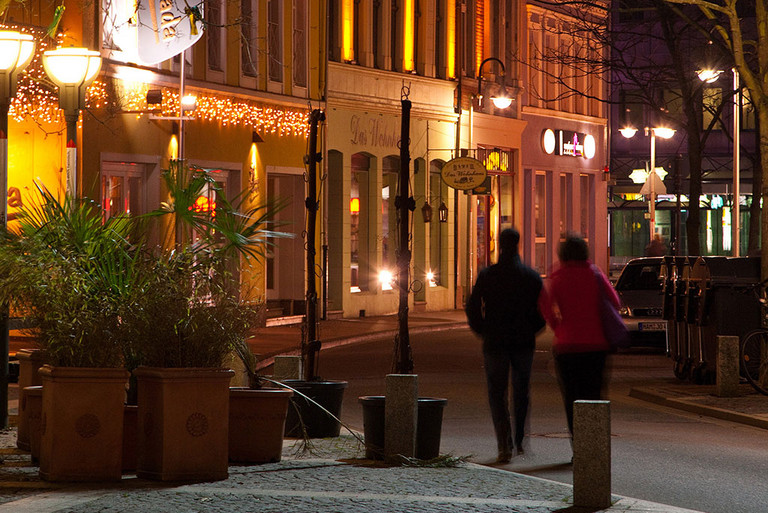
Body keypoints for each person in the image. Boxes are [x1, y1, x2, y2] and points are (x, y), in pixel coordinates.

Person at [465, 228, 545, 463]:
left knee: (497, 393)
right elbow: (543, 311)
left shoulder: (488, 274)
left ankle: (504, 444)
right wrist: (533, 329)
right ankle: (519, 440)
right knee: (521, 392)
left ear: (499, 245)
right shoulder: (530, 276)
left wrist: (482, 329)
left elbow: (472, 306)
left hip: (495, 341)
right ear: (518, 244)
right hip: (523, 342)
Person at [538, 234, 619, 439]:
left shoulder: (557, 275)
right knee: (594, 396)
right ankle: (595, 443)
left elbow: (546, 308)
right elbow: (615, 302)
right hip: (596, 346)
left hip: (567, 347)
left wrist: (559, 328)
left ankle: (578, 444)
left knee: (572, 398)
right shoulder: (596, 274)